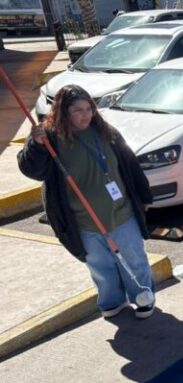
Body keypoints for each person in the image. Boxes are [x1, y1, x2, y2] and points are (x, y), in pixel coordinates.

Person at [17, 84, 156, 319]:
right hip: (83, 221)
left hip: (121, 214)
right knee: (101, 268)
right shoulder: (50, 139)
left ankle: (143, 297)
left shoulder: (105, 132)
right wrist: (36, 145)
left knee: (134, 260)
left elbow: (130, 164)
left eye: (88, 108)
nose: (85, 115)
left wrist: (145, 195)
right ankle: (112, 302)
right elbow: (32, 169)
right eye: (77, 110)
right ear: (63, 112)